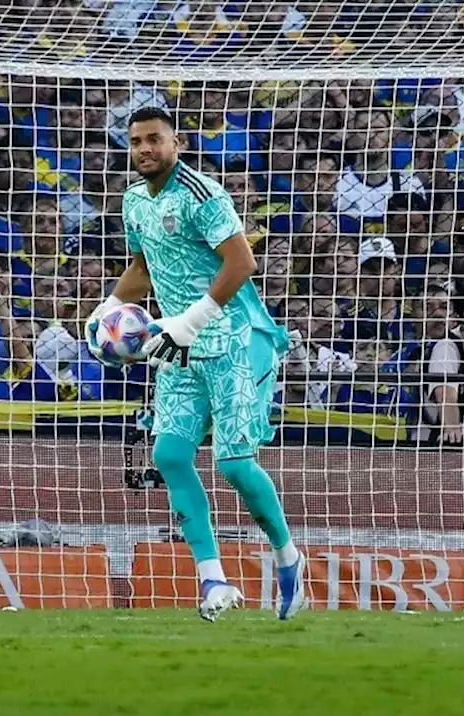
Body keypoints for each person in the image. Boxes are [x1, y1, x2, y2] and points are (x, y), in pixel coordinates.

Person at [83, 106, 305, 623]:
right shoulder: (133, 201)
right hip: (176, 352)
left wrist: (192, 320)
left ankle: (287, 556)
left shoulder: (203, 195)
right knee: (170, 456)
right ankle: (213, 579)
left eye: (154, 139)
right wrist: (107, 309)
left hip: (227, 344)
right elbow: (143, 267)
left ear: (176, 142)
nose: (144, 149)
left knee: (233, 465)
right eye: (136, 141)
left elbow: (242, 262)